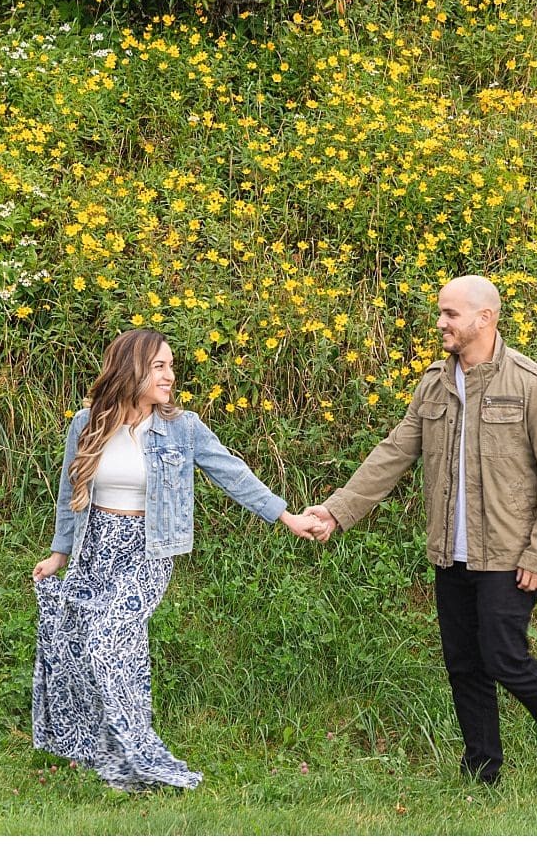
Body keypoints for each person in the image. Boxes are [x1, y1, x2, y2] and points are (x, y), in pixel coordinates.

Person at [301, 275, 537, 804]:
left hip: (510, 554)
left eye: (450, 314)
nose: (441, 323)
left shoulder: (532, 384)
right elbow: (394, 453)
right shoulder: (434, 386)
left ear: (484, 319)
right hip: (452, 551)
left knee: (504, 656)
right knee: (464, 663)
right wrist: (336, 511)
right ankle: (482, 771)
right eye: (440, 313)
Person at [30, 328, 322, 792]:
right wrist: (59, 553)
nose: (171, 375)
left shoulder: (181, 428)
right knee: (99, 654)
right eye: (160, 366)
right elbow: (71, 493)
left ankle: (138, 755)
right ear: (132, 369)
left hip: (146, 553)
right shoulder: (87, 422)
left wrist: (285, 516)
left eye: (171, 365)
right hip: (94, 549)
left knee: (108, 643)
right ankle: (112, 755)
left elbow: (231, 471)